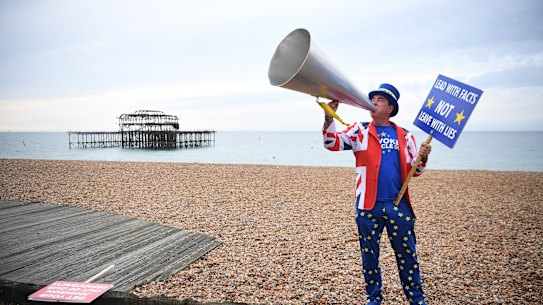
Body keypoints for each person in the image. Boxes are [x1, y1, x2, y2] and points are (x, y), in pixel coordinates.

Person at [322, 83, 432, 305]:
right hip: (368, 205)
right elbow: (331, 143)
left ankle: (416, 299)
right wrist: (328, 117)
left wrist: (423, 156)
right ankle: (374, 298)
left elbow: (416, 171)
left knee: (407, 255)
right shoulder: (358, 130)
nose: (373, 102)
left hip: (398, 205)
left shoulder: (405, 135)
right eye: (372, 99)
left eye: (379, 99)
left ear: (390, 107)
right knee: (369, 256)